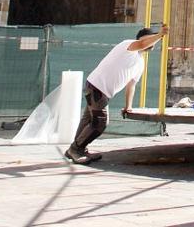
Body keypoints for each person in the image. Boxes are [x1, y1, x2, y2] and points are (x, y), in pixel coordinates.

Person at [65, 25, 168, 165]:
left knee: (88, 120)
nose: (151, 42)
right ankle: (76, 149)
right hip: (97, 86)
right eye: (149, 39)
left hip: (102, 90)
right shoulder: (127, 45)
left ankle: (77, 148)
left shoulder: (140, 63)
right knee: (100, 121)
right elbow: (142, 43)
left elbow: (131, 85)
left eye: (152, 40)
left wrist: (128, 106)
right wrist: (160, 35)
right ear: (139, 39)